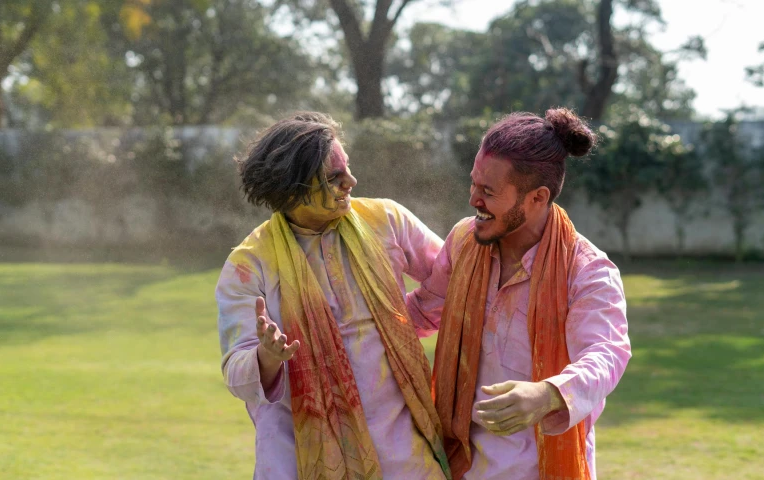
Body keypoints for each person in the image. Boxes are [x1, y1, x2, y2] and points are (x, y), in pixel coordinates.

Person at [216, 112, 451, 480]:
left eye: (348, 169)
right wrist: (266, 357)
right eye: (333, 178)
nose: (351, 182)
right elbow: (236, 375)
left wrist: (410, 317)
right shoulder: (249, 264)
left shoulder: (386, 220)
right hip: (298, 454)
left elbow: (452, 279)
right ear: (293, 190)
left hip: (401, 450)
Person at [407, 108, 631, 480]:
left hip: (541, 468)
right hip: (458, 463)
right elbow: (422, 310)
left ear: (537, 198)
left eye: (488, 191)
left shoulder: (587, 271)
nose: (473, 199)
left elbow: (607, 354)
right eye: (473, 184)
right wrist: (349, 324)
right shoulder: (464, 242)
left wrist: (549, 394)